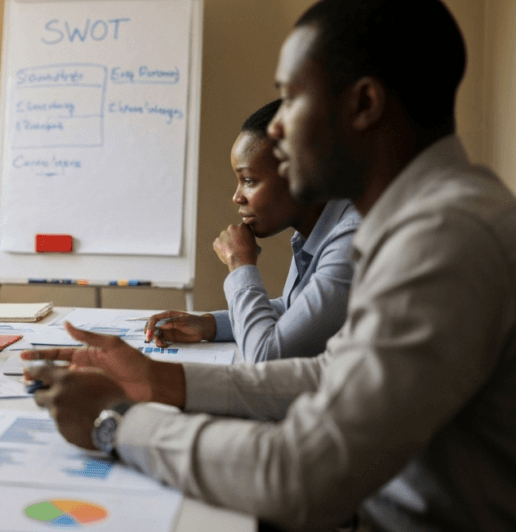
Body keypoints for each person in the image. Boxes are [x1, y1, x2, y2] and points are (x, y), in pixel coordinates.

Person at [24, 0, 516, 532]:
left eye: (291, 99)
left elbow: (304, 475)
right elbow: (329, 375)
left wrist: (118, 423)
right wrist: (157, 380)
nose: (274, 129)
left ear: (364, 105)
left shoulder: (445, 241)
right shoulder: (425, 219)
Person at [145, 99, 360, 363]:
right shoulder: (317, 229)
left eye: (248, 180)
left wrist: (240, 264)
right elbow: (293, 311)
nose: (237, 197)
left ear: (302, 175)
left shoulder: (351, 242)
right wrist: (209, 325)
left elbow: (266, 355)